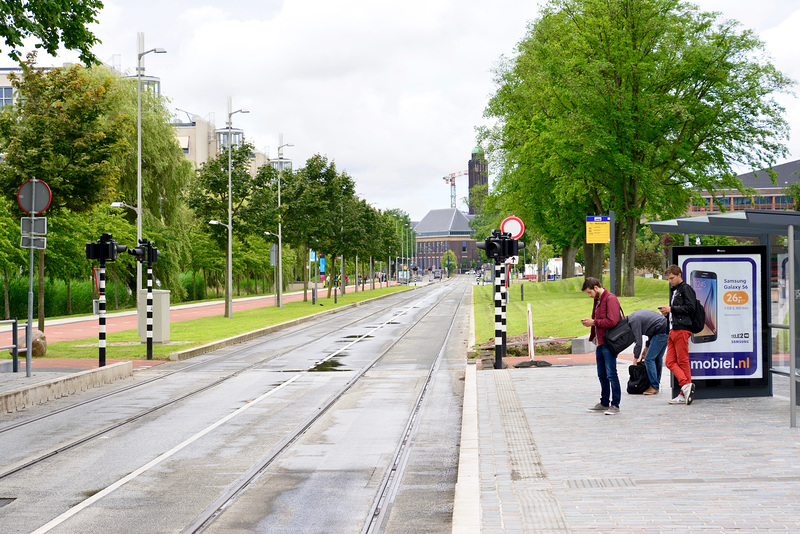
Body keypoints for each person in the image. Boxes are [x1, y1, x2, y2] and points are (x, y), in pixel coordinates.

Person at [581, 277, 622, 415]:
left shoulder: (610, 299)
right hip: (600, 342)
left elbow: (613, 321)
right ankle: (604, 402)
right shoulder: (597, 300)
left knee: (611, 373)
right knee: (602, 374)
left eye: (589, 292)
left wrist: (594, 322)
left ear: (596, 288)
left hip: (608, 342)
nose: (589, 295)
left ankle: (615, 404)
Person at [658, 264, 696, 405]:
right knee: (669, 361)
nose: (670, 281)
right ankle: (685, 387)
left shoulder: (686, 289)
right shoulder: (676, 290)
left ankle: (684, 389)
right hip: (674, 329)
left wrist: (671, 309)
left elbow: (691, 308)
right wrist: (669, 312)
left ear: (679, 275)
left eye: (672, 278)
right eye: (668, 279)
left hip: (681, 329)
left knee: (682, 361)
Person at [628, 309, 669, 395]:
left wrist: (635, 360)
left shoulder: (633, 322)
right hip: (665, 328)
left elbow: (638, 342)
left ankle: (654, 386)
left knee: (649, 359)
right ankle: (656, 384)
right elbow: (651, 328)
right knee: (657, 358)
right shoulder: (635, 316)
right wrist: (647, 347)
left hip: (661, 331)